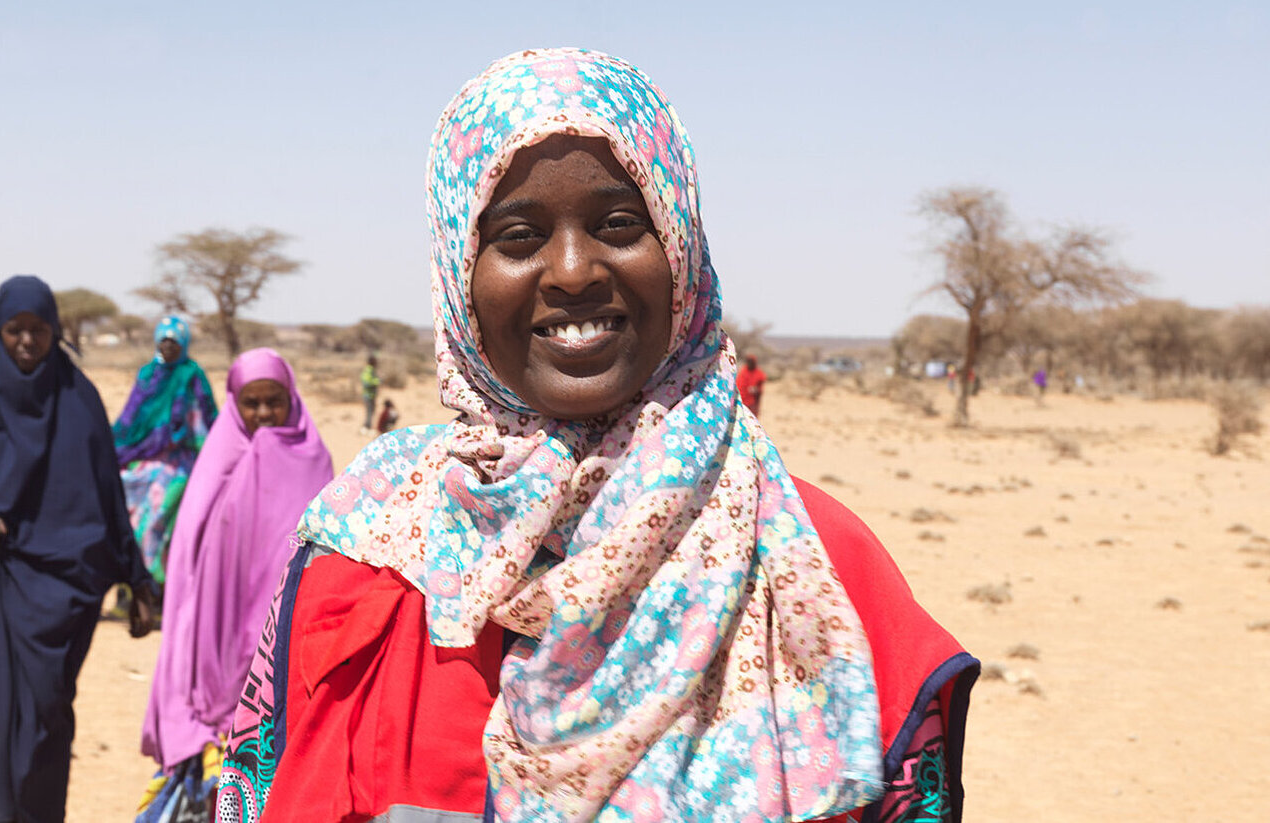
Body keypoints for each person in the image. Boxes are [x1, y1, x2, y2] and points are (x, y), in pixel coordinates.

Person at [217, 49, 978, 823]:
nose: (574, 270)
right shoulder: (360, 553)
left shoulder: (816, 566)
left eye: (620, 223)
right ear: (460, 276)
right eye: (517, 236)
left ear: (681, 249)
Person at [0, 275, 158, 823]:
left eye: (37, 331)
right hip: (2, 582)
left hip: (69, 589)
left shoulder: (80, 398)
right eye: (13, 330)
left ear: (55, 331)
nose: (24, 342)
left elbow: (109, 493)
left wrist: (137, 578)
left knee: (46, 718)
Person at [137, 348, 334, 821]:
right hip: (218, 639)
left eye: (274, 401)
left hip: (287, 634)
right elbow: (186, 560)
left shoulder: (313, 459)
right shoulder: (217, 460)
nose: (264, 414)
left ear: (292, 399)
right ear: (232, 403)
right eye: (252, 403)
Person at [113, 316, 218, 586]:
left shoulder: (192, 376)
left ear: (184, 344)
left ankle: (157, 585)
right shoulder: (147, 375)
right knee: (124, 506)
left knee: (158, 518)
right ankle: (131, 584)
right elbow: (131, 418)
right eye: (164, 341)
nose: (169, 347)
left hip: (181, 460)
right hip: (144, 456)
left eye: (174, 342)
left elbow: (205, 420)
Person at [358, 353, 381, 434]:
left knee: (371, 411)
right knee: (369, 411)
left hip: (371, 395)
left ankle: (368, 426)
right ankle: (366, 427)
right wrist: (376, 382)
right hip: (368, 395)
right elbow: (366, 382)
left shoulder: (371, 370)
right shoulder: (369, 370)